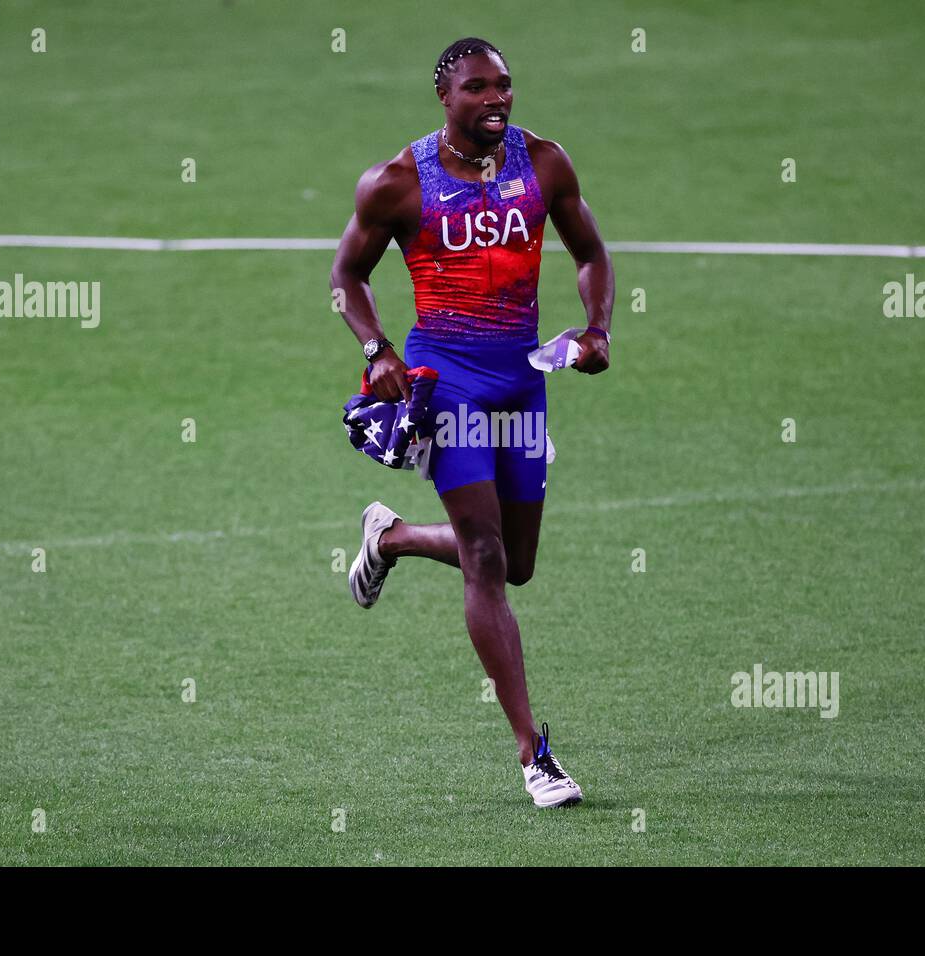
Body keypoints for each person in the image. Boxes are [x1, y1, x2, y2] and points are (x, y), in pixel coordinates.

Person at [329, 37, 613, 808]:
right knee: (485, 555)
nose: (498, 99)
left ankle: (391, 538)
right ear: (445, 98)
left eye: (506, 86)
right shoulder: (397, 182)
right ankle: (535, 754)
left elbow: (589, 251)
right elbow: (347, 275)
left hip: (522, 379)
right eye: (479, 88)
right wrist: (377, 346)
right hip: (445, 380)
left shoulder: (544, 163)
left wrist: (597, 328)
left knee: (515, 561)